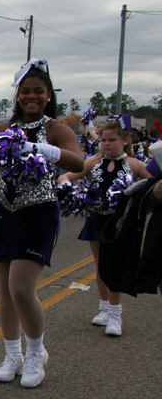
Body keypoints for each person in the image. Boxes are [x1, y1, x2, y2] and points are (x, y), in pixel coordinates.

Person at [0, 59, 84, 388]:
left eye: (38, 92)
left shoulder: (57, 129)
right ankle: (12, 354)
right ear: (17, 95)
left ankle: (36, 353)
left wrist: (42, 149)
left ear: (48, 95)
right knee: (4, 292)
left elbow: (79, 161)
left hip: (39, 211)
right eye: (25, 91)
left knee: (21, 290)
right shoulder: (2, 128)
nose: (31, 96)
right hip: (5, 210)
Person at [58, 118, 150, 336]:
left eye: (112, 140)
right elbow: (67, 175)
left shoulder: (134, 164)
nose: (106, 144)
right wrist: (66, 186)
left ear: (125, 140)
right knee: (100, 265)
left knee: (114, 265)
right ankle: (105, 308)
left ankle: (116, 313)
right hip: (97, 219)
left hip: (120, 222)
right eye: (103, 140)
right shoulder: (92, 162)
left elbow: (155, 182)